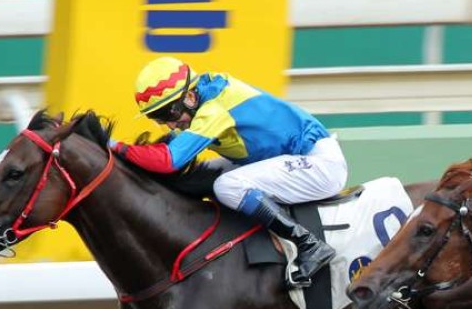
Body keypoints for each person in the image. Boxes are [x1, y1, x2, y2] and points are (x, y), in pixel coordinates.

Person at [111, 56, 344, 287]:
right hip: (289, 159)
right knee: (205, 174)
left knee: (228, 185)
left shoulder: (215, 108)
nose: (170, 124)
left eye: (169, 114)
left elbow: (169, 161)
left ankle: (308, 244)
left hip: (319, 165)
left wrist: (113, 146)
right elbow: (165, 153)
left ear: (190, 97)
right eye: (158, 118)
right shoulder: (200, 100)